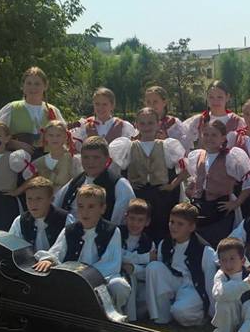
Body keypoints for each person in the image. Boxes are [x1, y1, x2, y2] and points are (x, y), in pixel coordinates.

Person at [32, 184, 130, 310]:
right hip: (73, 279)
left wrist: (85, 275)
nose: (85, 212)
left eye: (91, 207)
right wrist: (48, 259)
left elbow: (111, 263)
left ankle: (112, 315)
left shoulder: (112, 231)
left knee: (119, 285)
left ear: (102, 208)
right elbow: (57, 251)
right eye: (81, 206)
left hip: (102, 279)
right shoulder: (70, 230)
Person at [108, 108, 188, 242]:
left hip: (161, 197)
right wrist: (129, 185)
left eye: (150, 123)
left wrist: (172, 185)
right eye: (142, 123)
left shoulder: (167, 146)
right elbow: (117, 171)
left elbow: (185, 169)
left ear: (158, 124)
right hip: (138, 196)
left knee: (161, 229)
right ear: (136, 125)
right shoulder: (128, 147)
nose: (146, 127)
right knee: (138, 230)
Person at [182, 120, 250, 246]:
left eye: (214, 135)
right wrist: (191, 191)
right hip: (201, 207)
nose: (209, 138)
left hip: (221, 207)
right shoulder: (198, 155)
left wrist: (236, 203)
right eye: (206, 134)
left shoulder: (231, 157)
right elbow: (198, 178)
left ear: (223, 138)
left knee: (221, 243)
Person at [144, 203, 219, 327]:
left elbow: (210, 283)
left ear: (191, 227)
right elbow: (161, 276)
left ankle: (200, 317)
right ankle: (161, 316)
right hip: (174, 281)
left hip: (193, 287)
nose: (174, 227)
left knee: (180, 311)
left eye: (180, 224)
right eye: (172, 222)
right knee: (153, 267)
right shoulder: (165, 244)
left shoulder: (205, 251)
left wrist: (213, 313)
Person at [0, 66, 65, 157]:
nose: (33, 87)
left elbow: (65, 137)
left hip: (47, 161)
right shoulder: (13, 108)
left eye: (37, 84)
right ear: (22, 86)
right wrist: (13, 143)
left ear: (45, 86)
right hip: (16, 160)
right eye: (29, 83)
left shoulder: (53, 110)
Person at [54, 136, 134, 226]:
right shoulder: (76, 181)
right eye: (86, 157)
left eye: (96, 157)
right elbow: (55, 205)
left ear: (107, 159)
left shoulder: (120, 185)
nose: (90, 162)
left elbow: (118, 223)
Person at [7, 176, 69, 251]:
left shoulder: (65, 219)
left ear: (51, 199)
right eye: (29, 199)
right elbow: (12, 248)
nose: (33, 203)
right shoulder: (20, 221)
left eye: (39, 199)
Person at [120, 198, 156, 321]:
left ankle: (133, 317)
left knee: (132, 276)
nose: (135, 223)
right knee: (128, 278)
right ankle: (131, 319)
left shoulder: (149, 243)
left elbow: (148, 271)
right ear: (126, 217)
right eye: (132, 218)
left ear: (147, 222)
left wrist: (134, 268)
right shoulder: (117, 234)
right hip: (116, 277)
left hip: (139, 286)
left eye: (140, 220)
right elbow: (119, 256)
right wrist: (144, 258)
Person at [70, 87, 138, 150]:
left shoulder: (123, 126)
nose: (100, 108)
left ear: (112, 106)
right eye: (97, 104)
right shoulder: (85, 126)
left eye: (104, 104)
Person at [183, 80, 245, 147]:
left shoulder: (237, 122)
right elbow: (182, 137)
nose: (215, 101)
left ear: (227, 97)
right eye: (211, 97)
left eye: (219, 97)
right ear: (207, 98)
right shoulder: (199, 120)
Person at [28, 120, 82, 189]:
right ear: (46, 137)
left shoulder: (74, 160)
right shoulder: (38, 163)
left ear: (65, 137)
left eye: (58, 135)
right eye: (51, 135)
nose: (54, 138)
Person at [144, 85, 192, 151]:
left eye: (155, 102)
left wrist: (166, 139)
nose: (151, 105)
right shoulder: (142, 123)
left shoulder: (173, 124)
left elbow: (184, 148)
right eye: (148, 102)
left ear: (164, 102)